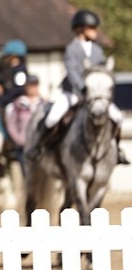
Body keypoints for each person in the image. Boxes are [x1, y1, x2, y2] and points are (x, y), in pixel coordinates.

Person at [30, 9, 125, 162]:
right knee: (52, 118)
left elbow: (101, 71)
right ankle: (39, 147)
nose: (95, 32)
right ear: (81, 29)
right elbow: (72, 71)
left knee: (118, 117)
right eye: (92, 28)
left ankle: (118, 151)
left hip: (94, 95)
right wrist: (82, 87)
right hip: (73, 92)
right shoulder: (71, 49)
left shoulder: (97, 50)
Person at [4, 74, 43, 173]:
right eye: (30, 85)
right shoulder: (18, 104)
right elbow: (11, 124)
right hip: (24, 146)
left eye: (35, 85)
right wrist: (20, 140)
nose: (33, 88)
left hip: (41, 145)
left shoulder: (44, 104)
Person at [0, 38, 29, 107]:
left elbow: (19, 90)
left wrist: (4, 99)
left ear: (13, 56)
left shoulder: (20, 71)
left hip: (15, 104)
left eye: (7, 56)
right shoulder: (8, 70)